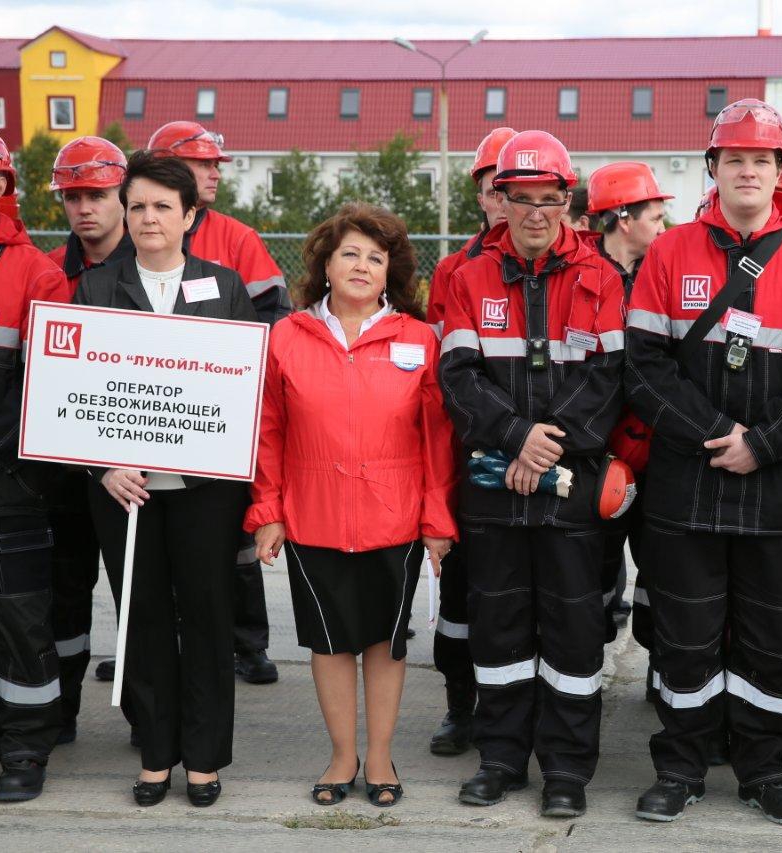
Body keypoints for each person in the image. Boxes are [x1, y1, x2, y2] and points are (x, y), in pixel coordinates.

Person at [625, 98, 782, 826]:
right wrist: (719, 431)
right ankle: (681, 767)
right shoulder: (669, 252)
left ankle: (763, 769)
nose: (748, 169)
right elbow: (644, 367)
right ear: (714, 168)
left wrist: (766, 443)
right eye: (735, 158)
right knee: (684, 638)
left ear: (780, 172)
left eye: (762, 159)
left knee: (771, 642)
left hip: (776, 488)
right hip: (685, 484)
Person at [438, 130, 625, 818]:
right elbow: (457, 377)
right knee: (499, 628)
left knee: (574, 632)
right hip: (494, 483)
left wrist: (543, 448)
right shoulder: (467, 276)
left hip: (569, 489)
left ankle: (568, 770)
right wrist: (516, 437)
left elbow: (608, 381)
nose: (537, 213)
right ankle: (500, 757)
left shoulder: (601, 276)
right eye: (523, 199)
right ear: (503, 199)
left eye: (550, 199)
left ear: (568, 201)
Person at [247, 202, 457, 807]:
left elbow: (437, 439)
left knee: (385, 643)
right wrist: (268, 512)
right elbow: (267, 432)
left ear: (392, 271)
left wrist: (437, 521)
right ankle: (342, 757)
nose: (363, 265)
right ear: (325, 264)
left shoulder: (419, 340)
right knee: (329, 642)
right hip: (312, 517)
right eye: (350, 254)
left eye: (376, 256)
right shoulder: (286, 338)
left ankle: (383, 757)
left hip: (395, 519)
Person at [73, 151, 259, 807]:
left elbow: (245, 390)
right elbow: (75, 393)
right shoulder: (96, 287)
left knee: (208, 616)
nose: (148, 218)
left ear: (190, 215)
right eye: (138, 206)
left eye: (161, 206)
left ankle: (204, 757)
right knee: (143, 617)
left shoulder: (225, 285)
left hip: (206, 490)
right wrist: (104, 464)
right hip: (127, 491)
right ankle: (156, 752)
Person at [146, 120, 290, 687]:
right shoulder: (142, 234)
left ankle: (247, 643)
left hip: (221, 413)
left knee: (234, 537)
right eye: (201, 164)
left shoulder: (236, 238)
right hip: (152, 412)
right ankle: (157, 643)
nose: (213, 174)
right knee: (161, 542)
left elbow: (276, 315)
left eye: (214, 165)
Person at [0, 121, 71, 802]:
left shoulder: (38, 273)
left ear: (0, 187)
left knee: (23, 625)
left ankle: (25, 751)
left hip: (9, 488)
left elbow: (43, 385)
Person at [425, 126, 515, 758]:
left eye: (518, 190)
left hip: (543, 459)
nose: (506, 202)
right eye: (494, 189)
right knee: (460, 596)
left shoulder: (572, 260)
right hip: (468, 456)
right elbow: (444, 375)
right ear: (482, 195)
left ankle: (515, 709)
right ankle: (462, 706)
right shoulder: (454, 271)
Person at [44, 136, 132, 745]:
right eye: (73, 196)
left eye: (97, 194)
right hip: (61, 473)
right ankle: (60, 711)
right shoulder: (46, 273)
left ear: (122, 196)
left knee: (143, 600)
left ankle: (146, 717)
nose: (84, 208)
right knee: (61, 600)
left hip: (136, 476)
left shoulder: (158, 266)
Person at [586, 160, 672, 643]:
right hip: (597, 451)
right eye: (656, 217)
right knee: (594, 565)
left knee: (660, 562)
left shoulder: (661, 276)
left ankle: (663, 669)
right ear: (623, 217)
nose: (663, 227)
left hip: (655, 451)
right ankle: (586, 661)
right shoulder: (580, 278)